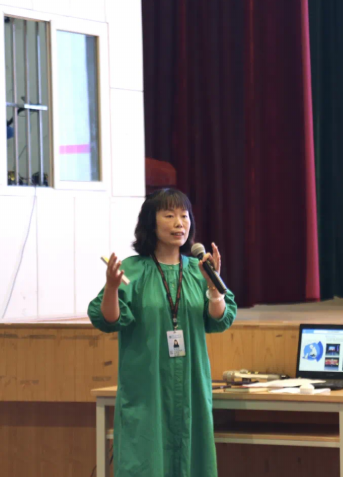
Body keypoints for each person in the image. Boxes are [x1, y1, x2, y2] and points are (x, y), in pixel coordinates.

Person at [88, 189, 237, 477]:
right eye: (169, 215)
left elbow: (220, 319)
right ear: (150, 223)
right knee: (146, 461)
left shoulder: (198, 270)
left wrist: (212, 286)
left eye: (184, 216)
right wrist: (111, 288)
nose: (179, 223)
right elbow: (108, 319)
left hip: (191, 386)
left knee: (193, 459)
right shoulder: (133, 270)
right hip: (147, 388)